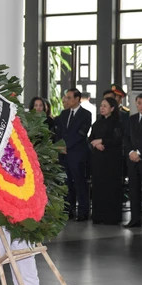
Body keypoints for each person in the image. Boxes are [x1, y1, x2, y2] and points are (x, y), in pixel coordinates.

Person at [54, 88, 92, 221]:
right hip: (64, 155)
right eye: (66, 97)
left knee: (80, 183)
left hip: (78, 154)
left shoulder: (86, 114)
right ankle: (68, 211)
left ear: (77, 99)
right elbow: (59, 132)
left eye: (69, 97)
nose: (66, 100)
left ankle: (83, 212)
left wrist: (66, 145)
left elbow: (81, 134)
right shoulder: (64, 114)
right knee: (67, 184)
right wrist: (60, 145)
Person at [89, 97, 123, 225]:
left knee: (111, 188)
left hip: (112, 161)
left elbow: (117, 139)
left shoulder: (116, 123)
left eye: (105, 106)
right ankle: (98, 216)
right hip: (98, 160)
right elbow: (90, 138)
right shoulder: (97, 123)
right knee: (98, 187)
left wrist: (102, 141)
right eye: (101, 106)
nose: (102, 108)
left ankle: (111, 217)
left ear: (112, 108)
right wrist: (95, 144)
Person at [122, 93, 142, 229]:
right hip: (132, 161)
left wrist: (139, 152)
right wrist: (131, 152)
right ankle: (135, 220)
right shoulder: (131, 119)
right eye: (140, 103)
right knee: (134, 190)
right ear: (136, 104)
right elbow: (126, 138)